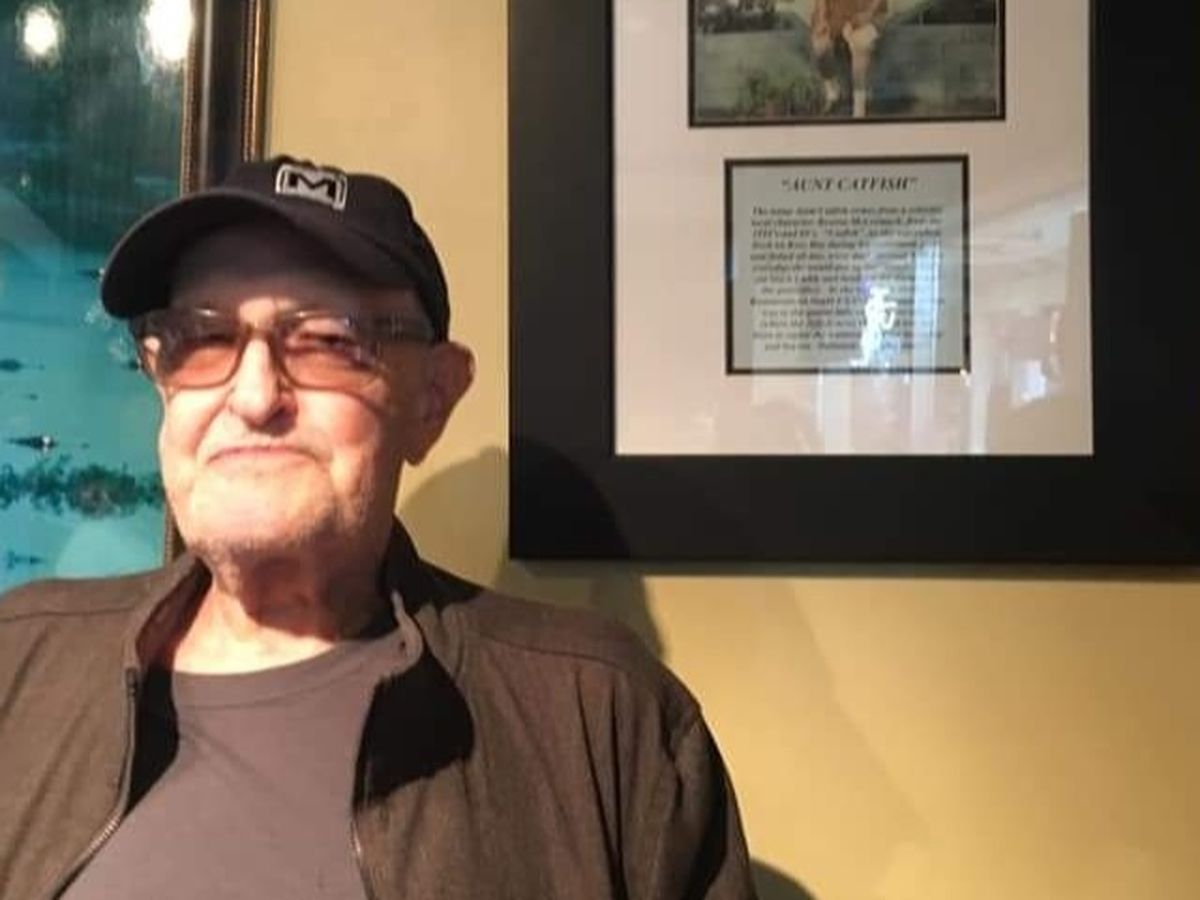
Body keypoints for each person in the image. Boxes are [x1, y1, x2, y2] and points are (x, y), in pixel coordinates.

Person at [0, 156, 755, 899]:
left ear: (431, 399)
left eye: (330, 339)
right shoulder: (19, 664)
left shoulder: (602, 717)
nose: (255, 397)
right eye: (203, 339)